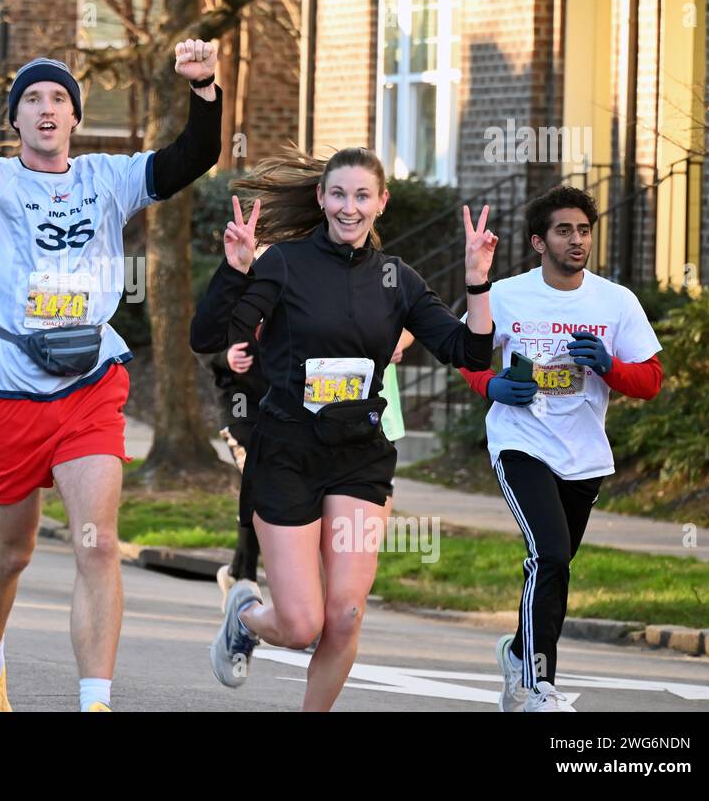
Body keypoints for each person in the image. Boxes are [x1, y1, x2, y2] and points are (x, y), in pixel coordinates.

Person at [0, 26, 223, 711]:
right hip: (9, 385)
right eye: (32, 99)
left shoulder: (109, 177)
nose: (47, 108)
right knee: (11, 553)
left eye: (59, 98)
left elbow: (195, 154)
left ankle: (95, 701)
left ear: (75, 116)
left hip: (90, 382)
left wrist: (204, 88)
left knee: (98, 543)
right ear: (14, 118)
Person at [190, 147, 497, 711]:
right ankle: (247, 617)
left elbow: (469, 351)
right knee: (303, 623)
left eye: (362, 196)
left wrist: (476, 282)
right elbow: (209, 335)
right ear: (320, 199)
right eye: (338, 194)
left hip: (359, 455)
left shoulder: (396, 279)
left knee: (346, 613)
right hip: (286, 451)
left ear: (381, 202)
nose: (348, 208)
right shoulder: (283, 263)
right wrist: (235, 269)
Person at [457, 185, 662, 712]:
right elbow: (468, 354)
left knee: (556, 564)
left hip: (583, 454)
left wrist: (608, 367)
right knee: (548, 554)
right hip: (520, 443)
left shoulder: (615, 301)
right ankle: (537, 684)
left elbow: (652, 379)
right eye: (564, 231)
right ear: (538, 243)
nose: (577, 240)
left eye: (585, 230)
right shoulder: (505, 294)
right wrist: (491, 386)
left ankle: (520, 655)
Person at [210, 329, 268, 607]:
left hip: (280, 407)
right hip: (239, 409)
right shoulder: (231, 291)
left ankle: (238, 573)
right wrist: (224, 355)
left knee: (263, 490)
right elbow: (202, 337)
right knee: (258, 481)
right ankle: (245, 578)